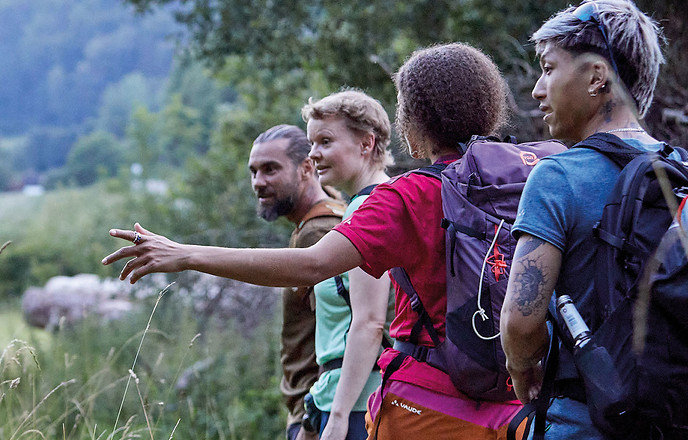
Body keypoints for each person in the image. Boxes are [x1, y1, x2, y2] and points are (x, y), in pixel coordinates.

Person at [102, 43, 522, 439]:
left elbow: (313, 264)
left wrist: (186, 254)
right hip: (518, 400)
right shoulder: (534, 169)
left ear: (414, 119)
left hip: (430, 407)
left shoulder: (406, 196)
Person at [500, 1, 666, 438]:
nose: (538, 89)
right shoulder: (680, 170)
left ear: (596, 77)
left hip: (585, 418)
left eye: (549, 68)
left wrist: (522, 368)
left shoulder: (557, 176)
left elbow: (520, 320)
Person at [301, 90, 394, 440]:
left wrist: (338, 417)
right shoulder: (362, 206)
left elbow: (370, 322)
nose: (314, 154)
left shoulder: (373, 209)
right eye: (312, 143)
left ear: (366, 143)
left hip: (360, 405)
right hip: (344, 395)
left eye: (325, 141)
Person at [250, 124, 346, 440]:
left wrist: (312, 421)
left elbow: (341, 335)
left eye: (270, 170)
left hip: (316, 416)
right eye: (254, 171)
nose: (258, 182)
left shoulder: (317, 233)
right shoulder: (321, 217)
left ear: (307, 168)